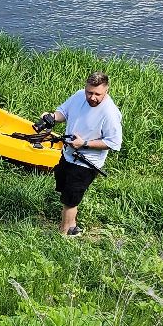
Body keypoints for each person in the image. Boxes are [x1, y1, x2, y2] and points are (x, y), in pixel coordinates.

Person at [40, 72, 123, 236]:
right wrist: (52, 118)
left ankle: (63, 234)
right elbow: (63, 112)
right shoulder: (79, 96)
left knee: (70, 199)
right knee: (65, 191)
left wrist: (84, 143)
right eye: (89, 92)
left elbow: (113, 143)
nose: (92, 97)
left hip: (86, 162)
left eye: (97, 94)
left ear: (106, 91)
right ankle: (72, 226)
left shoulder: (110, 113)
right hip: (67, 154)